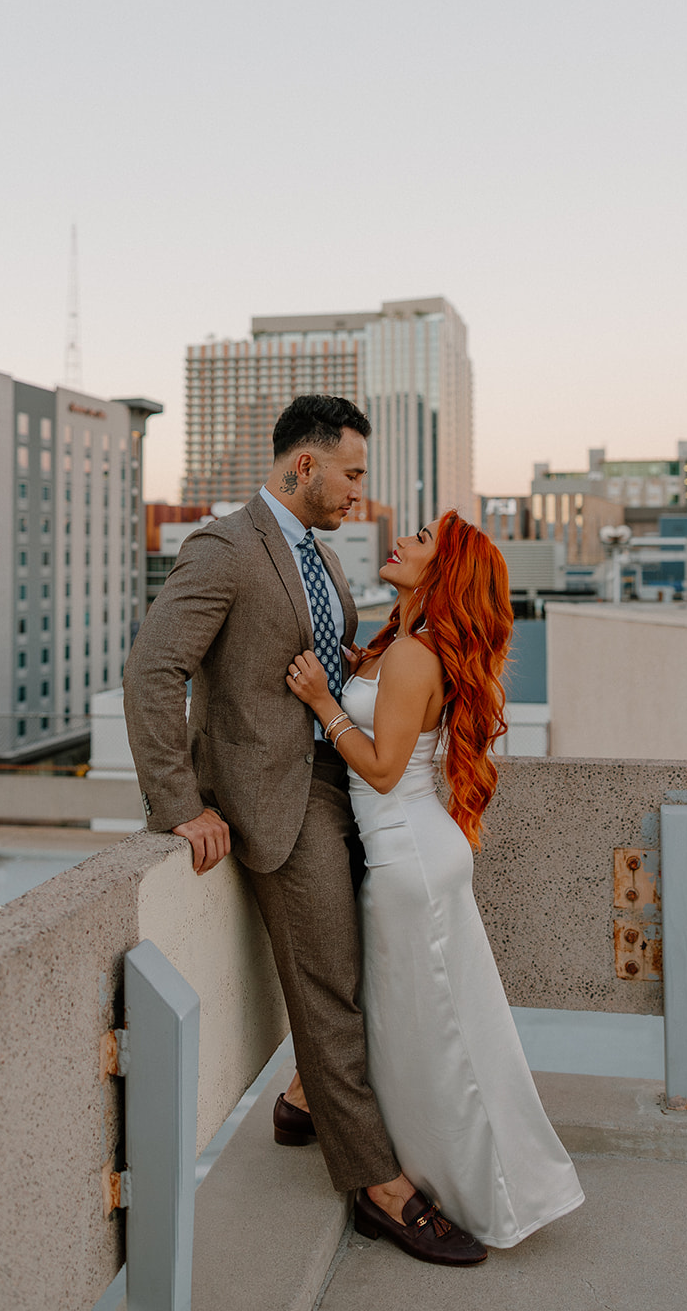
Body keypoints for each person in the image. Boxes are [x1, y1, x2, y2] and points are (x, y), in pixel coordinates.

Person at [124, 395, 487, 1267]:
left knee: (375, 960)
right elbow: (152, 668)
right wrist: (179, 801)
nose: (360, 492)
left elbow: (328, 667)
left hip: (346, 791)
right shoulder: (223, 546)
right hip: (274, 805)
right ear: (303, 467)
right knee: (329, 986)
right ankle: (375, 1185)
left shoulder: (321, 555)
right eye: (351, 473)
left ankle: (299, 1101)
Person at [286, 510, 585, 1249]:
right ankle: (460, 1170)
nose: (404, 540)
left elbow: (384, 771)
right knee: (439, 1028)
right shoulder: (401, 646)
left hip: (405, 857)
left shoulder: (415, 655)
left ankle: (480, 1189)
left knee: (434, 1037)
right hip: (417, 851)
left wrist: (324, 702)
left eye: (422, 540)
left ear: (442, 571)